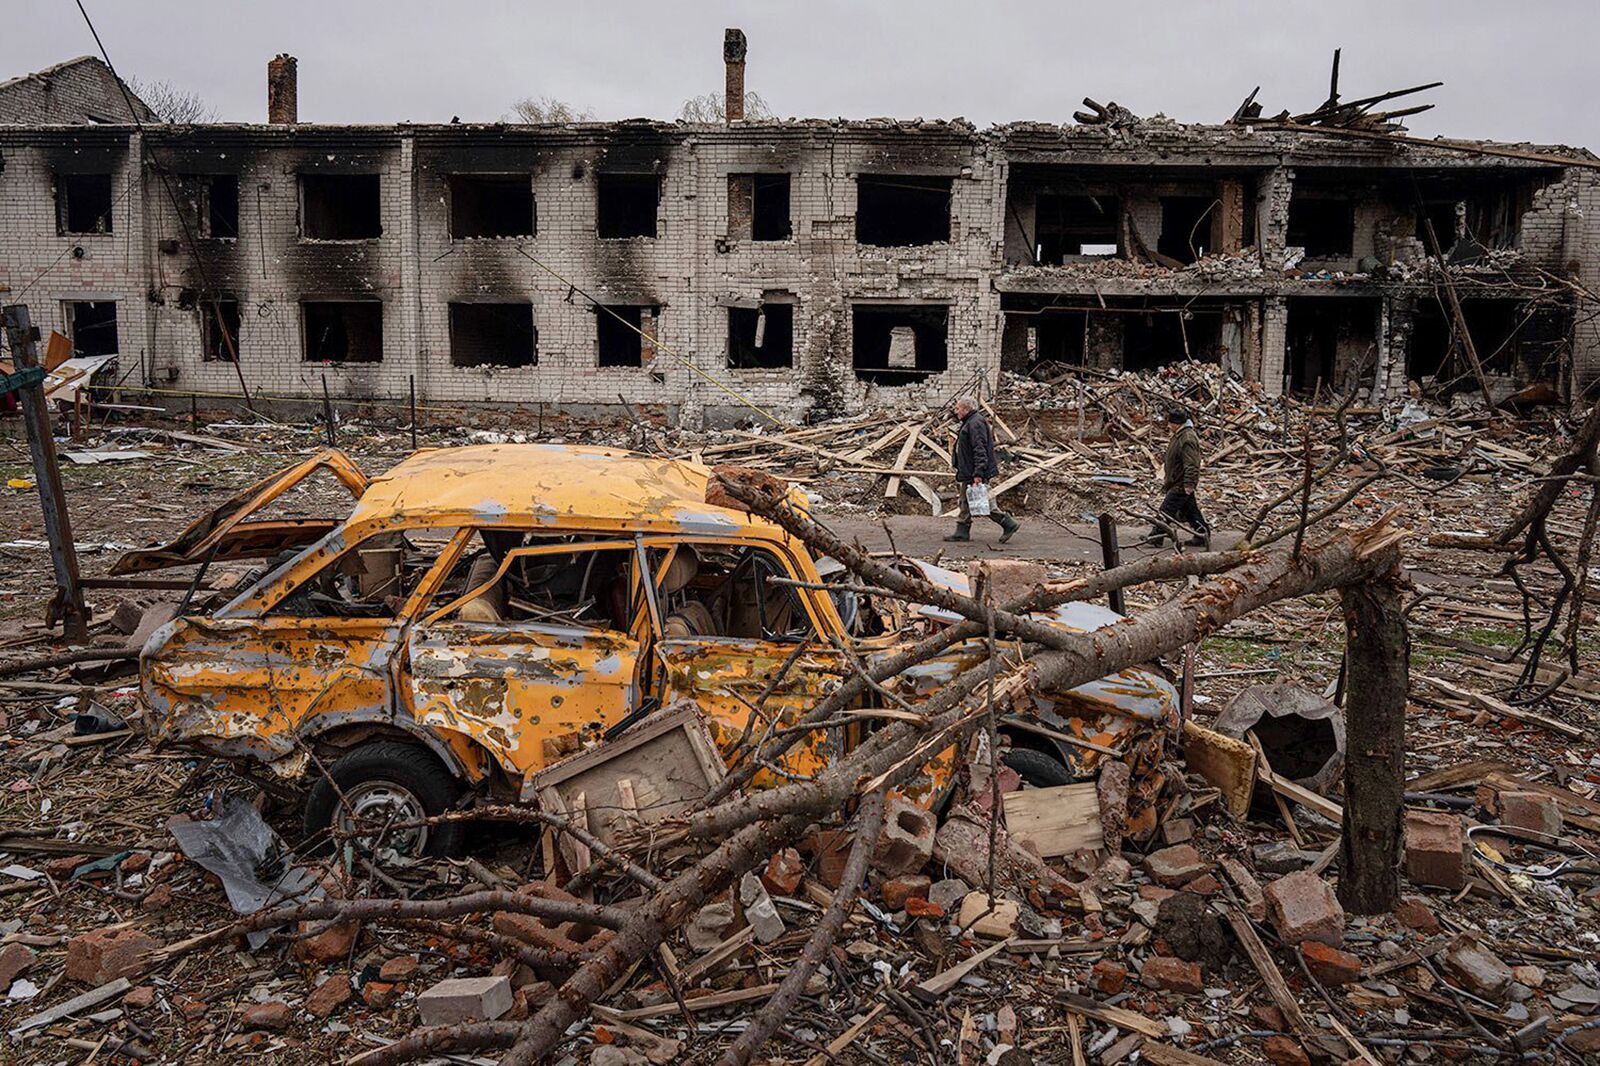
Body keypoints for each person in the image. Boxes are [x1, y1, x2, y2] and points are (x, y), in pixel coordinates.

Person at [945, 395, 1020, 543]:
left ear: (966, 409)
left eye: (958, 408)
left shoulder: (975, 423)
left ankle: (1008, 523)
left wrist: (978, 473)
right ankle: (962, 532)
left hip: (975, 471)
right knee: (965, 502)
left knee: (981, 502)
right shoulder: (971, 422)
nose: (956, 411)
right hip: (969, 471)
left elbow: (980, 450)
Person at [1149, 406, 1208, 547]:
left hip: (1181, 483)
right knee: (1191, 512)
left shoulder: (1187, 438)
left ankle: (1156, 536)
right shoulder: (1180, 435)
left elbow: (1192, 464)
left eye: (1170, 423)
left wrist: (1189, 484)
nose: (1168, 426)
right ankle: (1203, 535)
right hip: (1177, 480)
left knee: (1166, 510)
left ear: (1177, 423)